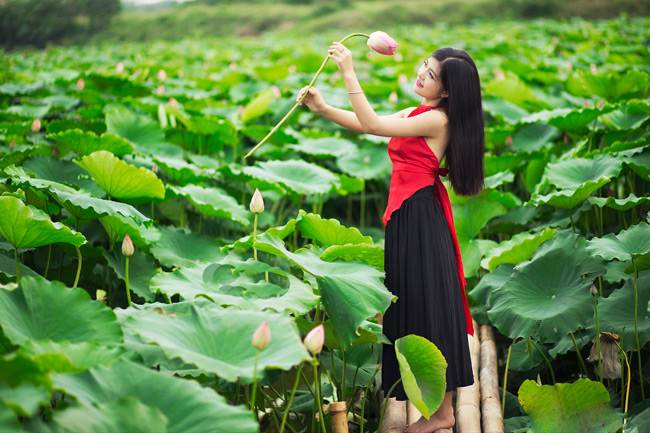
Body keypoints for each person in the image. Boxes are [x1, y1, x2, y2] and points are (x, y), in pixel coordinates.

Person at [297, 41, 484, 433]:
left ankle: (444, 413)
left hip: (421, 218)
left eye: (430, 75)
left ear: (447, 91)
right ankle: (436, 409)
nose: (421, 74)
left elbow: (375, 125)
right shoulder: (422, 111)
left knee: (431, 304)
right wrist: (324, 109)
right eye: (423, 66)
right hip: (405, 215)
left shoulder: (440, 120)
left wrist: (349, 72)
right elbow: (372, 122)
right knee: (413, 301)